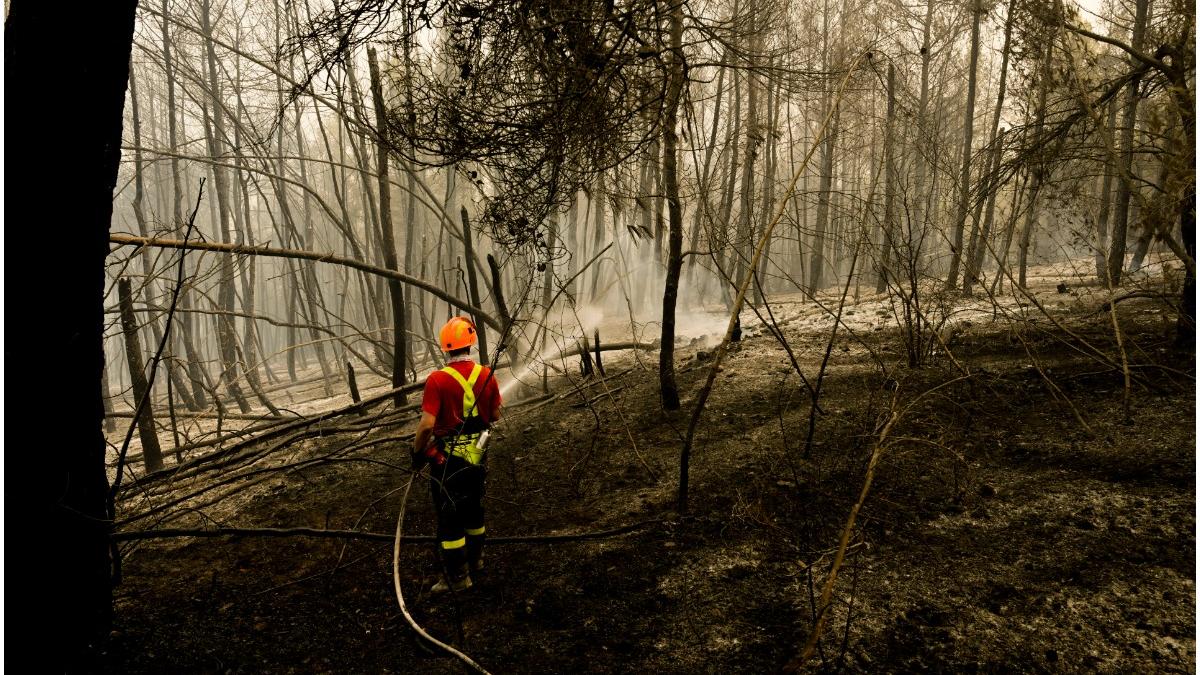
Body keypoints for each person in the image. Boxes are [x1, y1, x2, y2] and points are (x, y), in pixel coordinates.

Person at [412, 316, 502, 593]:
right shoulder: (486, 375)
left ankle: (459, 577)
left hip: (447, 460)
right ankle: (477, 561)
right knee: (474, 507)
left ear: (446, 348)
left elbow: (427, 425)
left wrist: (417, 453)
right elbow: (496, 415)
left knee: (450, 515)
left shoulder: (437, 380)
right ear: (471, 344)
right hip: (478, 452)